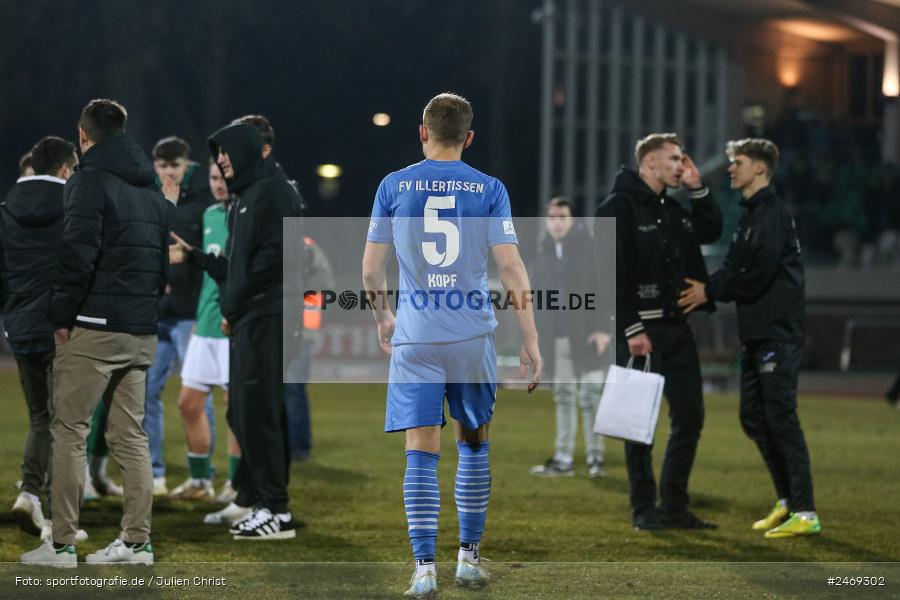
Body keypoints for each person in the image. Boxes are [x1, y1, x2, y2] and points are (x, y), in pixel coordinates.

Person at [363, 92, 541, 598]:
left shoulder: (393, 186)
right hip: (471, 338)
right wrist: (530, 338)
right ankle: (468, 559)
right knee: (474, 444)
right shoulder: (490, 189)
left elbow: (371, 270)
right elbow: (510, 268)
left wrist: (383, 319)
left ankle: (424, 569)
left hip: (416, 338)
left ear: (422, 132)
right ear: (469, 136)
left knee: (420, 452)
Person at [21, 98, 170, 566]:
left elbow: (77, 256)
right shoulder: (151, 189)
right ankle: (137, 542)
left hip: (95, 329)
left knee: (68, 430)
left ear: (83, 137)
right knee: (131, 437)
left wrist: (61, 316)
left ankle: (62, 544)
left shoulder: (88, 181)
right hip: (141, 330)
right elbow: (161, 265)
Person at [679, 138, 821, 538]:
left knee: (779, 416)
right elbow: (734, 268)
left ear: (760, 168)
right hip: (758, 332)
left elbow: (756, 274)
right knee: (754, 417)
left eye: (737, 162)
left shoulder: (772, 214)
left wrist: (711, 291)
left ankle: (806, 511)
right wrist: (706, 289)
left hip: (778, 332)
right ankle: (788, 500)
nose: (730, 169)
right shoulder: (751, 215)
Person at [173, 119, 303, 539]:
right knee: (243, 412)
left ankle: (276, 510)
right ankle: (254, 498)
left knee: (259, 414)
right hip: (248, 318)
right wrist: (195, 257)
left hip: (267, 319)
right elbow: (239, 269)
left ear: (249, 150)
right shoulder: (246, 198)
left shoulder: (273, 193)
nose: (221, 162)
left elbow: (277, 263)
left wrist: (239, 299)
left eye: (226, 152)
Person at [596, 132, 722, 531]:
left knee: (690, 417)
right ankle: (643, 509)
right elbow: (606, 273)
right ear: (649, 162)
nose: (681, 166)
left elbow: (712, 230)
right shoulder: (617, 207)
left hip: (678, 329)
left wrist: (698, 188)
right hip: (641, 331)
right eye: (674, 159)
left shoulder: (673, 208)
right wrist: (631, 327)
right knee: (637, 423)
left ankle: (674, 506)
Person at [2, 136, 78, 537]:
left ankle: (31, 496)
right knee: (67, 424)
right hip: (63, 328)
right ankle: (60, 517)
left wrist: (12, 313)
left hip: (21, 327)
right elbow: (81, 265)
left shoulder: (7, 209)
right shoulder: (73, 206)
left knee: (40, 418)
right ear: (65, 169)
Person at [144, 136, 213, 496]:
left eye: (175, 165)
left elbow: (208, 253)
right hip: (157, 313)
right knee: (146, 392)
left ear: (187, 165)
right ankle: (154, 473)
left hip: (190, 313)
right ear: (155, 166)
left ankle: (203, 473)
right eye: (163, 166)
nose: (169, 172)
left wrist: (185, 266)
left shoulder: (205, 199)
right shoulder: (150, 196)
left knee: (198, 395)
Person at [167, 157, 240, 503]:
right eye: (213, 177)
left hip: (233, 327)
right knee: (188, 403)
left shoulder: (245, 213)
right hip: (205, 324)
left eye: (224, 175)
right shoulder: (210, 215)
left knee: (234, 409)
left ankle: (237, 484)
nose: (219, 182)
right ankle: (200, 481)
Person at [530, 197, 610, 478]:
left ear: (573, 219)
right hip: (559, 339)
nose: (555, 221)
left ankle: (595, 459)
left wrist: (603, 329)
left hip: (589, 337)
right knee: (564, 396)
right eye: (551, 216)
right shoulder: (544, 252)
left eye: (562, 215)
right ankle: (563, 458)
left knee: (590, 397)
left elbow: (605, 289)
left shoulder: (590, 249)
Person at [284, 236, 335, 462]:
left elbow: (326, 286)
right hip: (278, 327)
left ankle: (299, 447)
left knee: (293, 387)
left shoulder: (307, 247)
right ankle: (284, 443)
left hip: (301, 330)